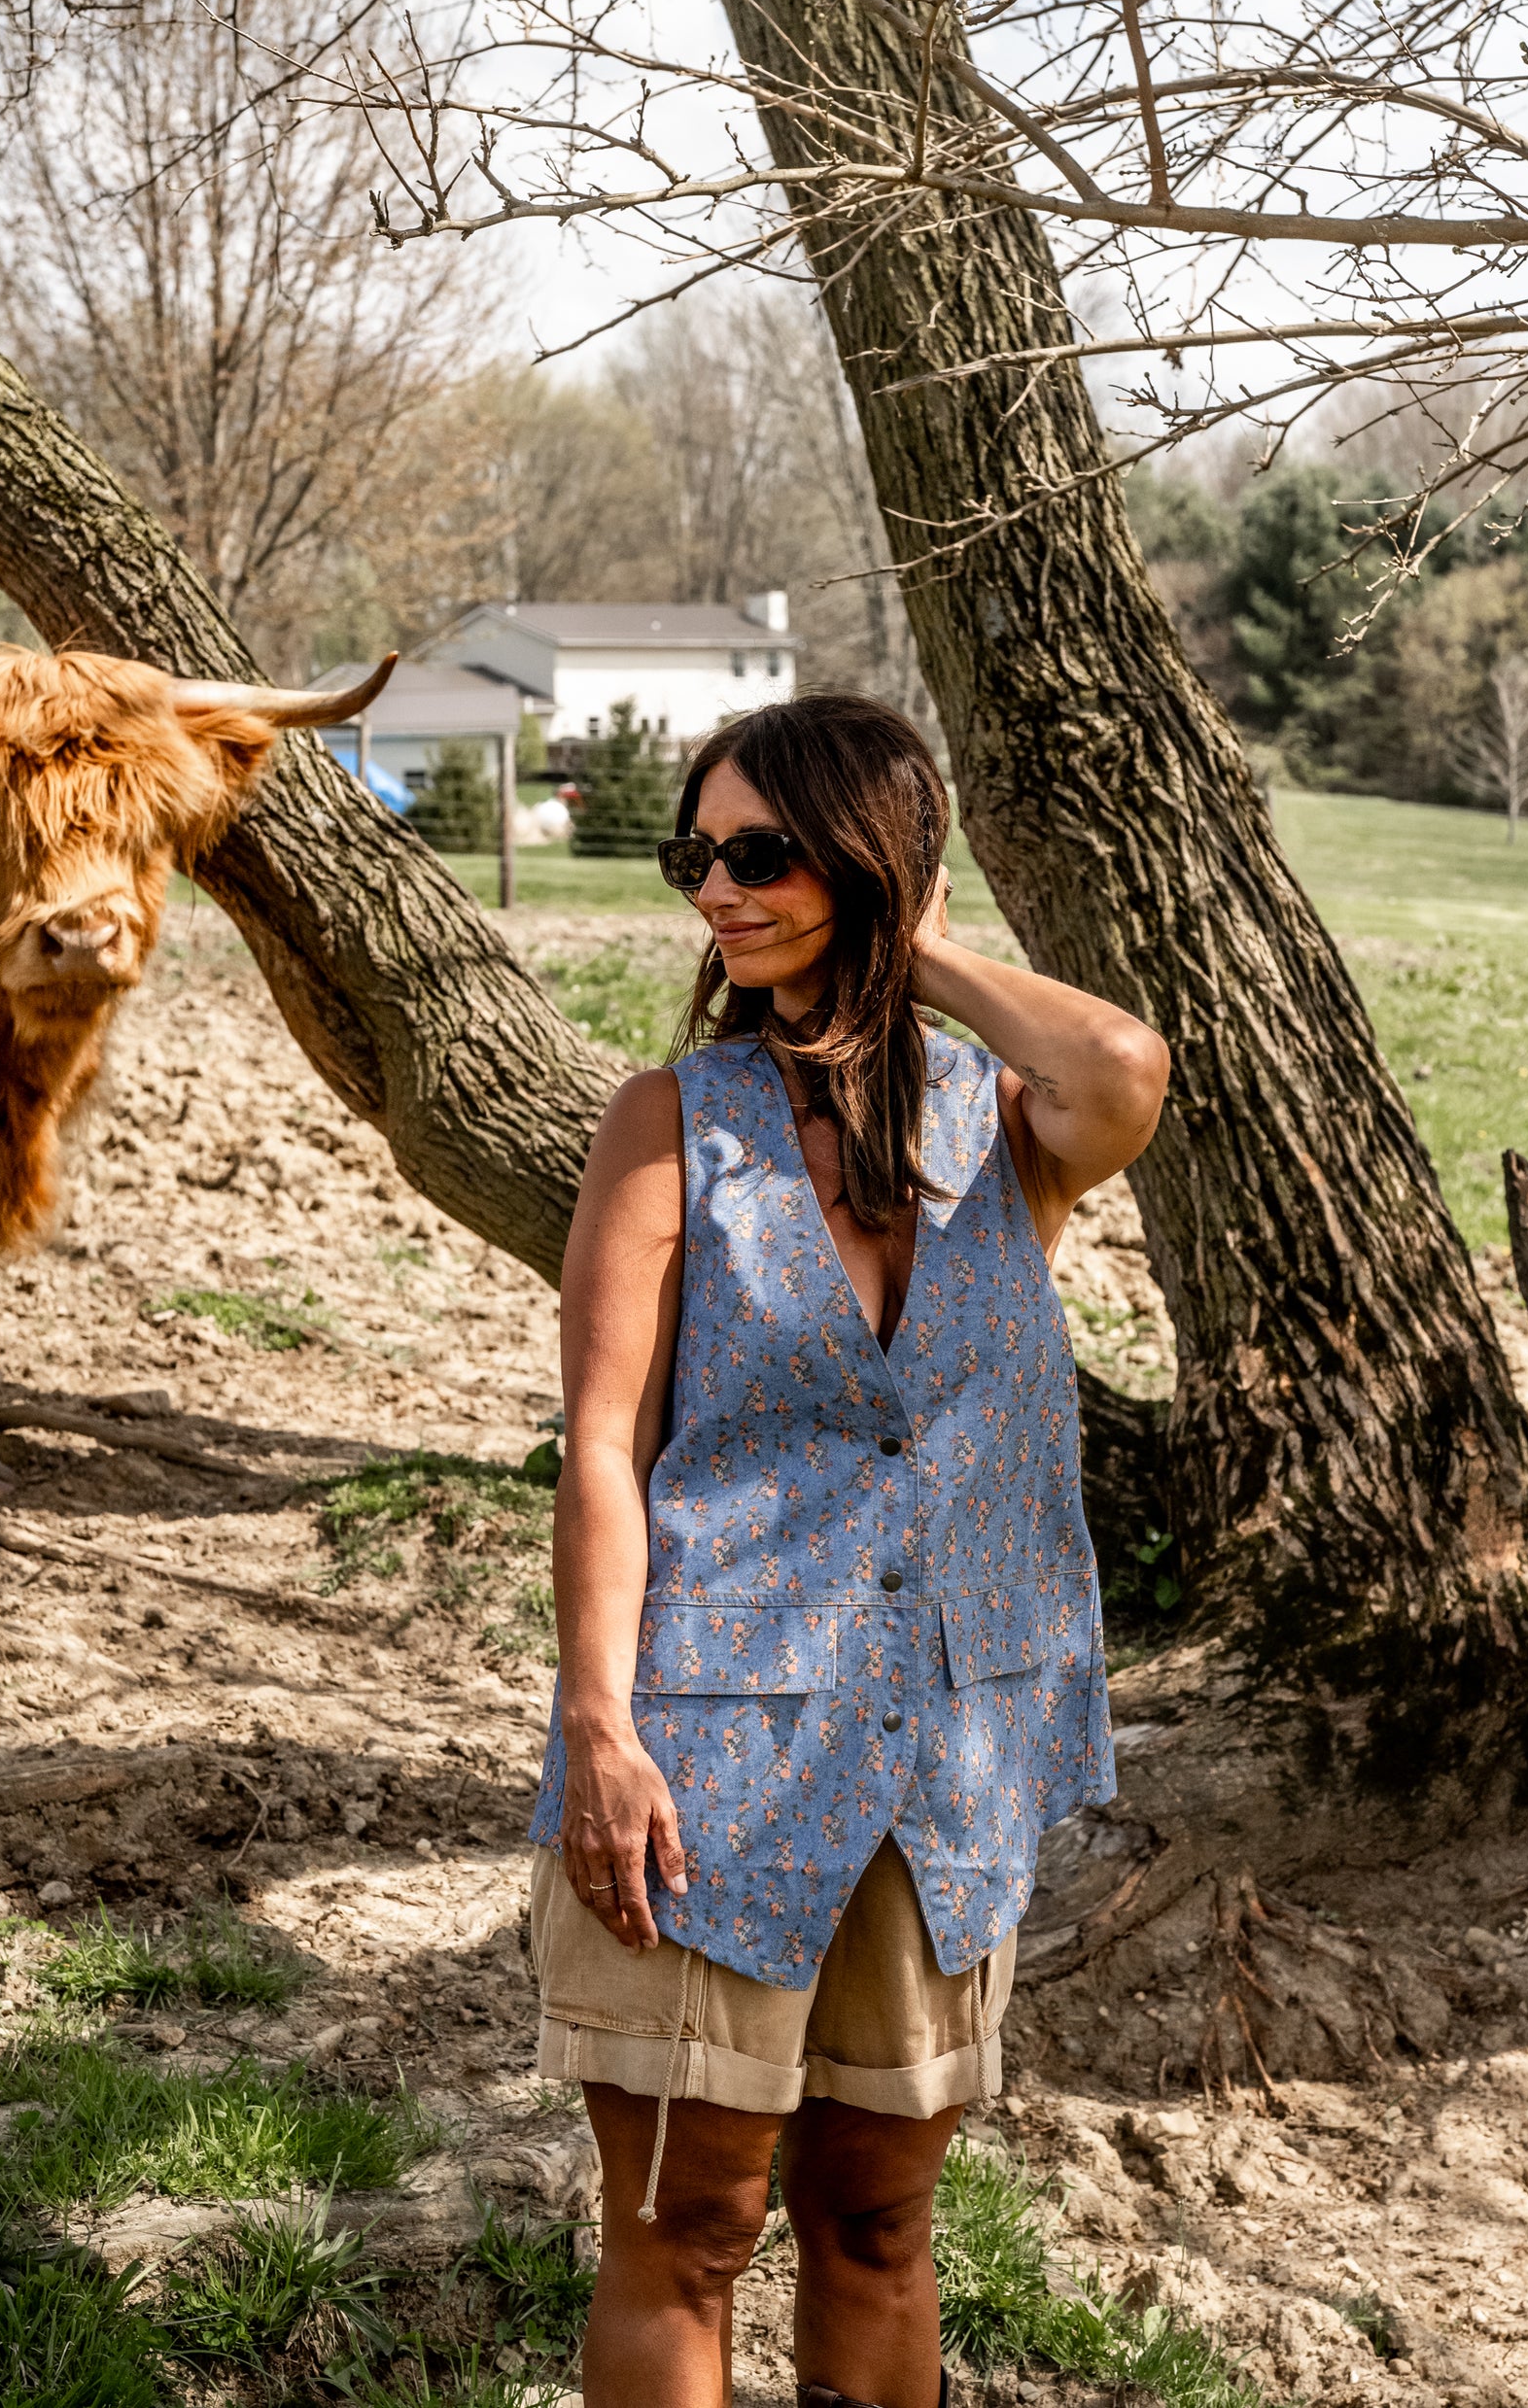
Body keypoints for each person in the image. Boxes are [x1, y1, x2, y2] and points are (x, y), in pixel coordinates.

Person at [528, 695, 1170, 2408]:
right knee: (690, 2222)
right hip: (706, 1752)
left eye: (761, 855)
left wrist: (923, 950)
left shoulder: (1002, 1127)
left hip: (943, 1759)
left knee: (878, 2220)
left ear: (871, 863)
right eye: (693, 855)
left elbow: (1123, 1068)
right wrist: (600, 1730)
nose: (714, 893)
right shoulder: (670, 1121)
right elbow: (604, 1449)